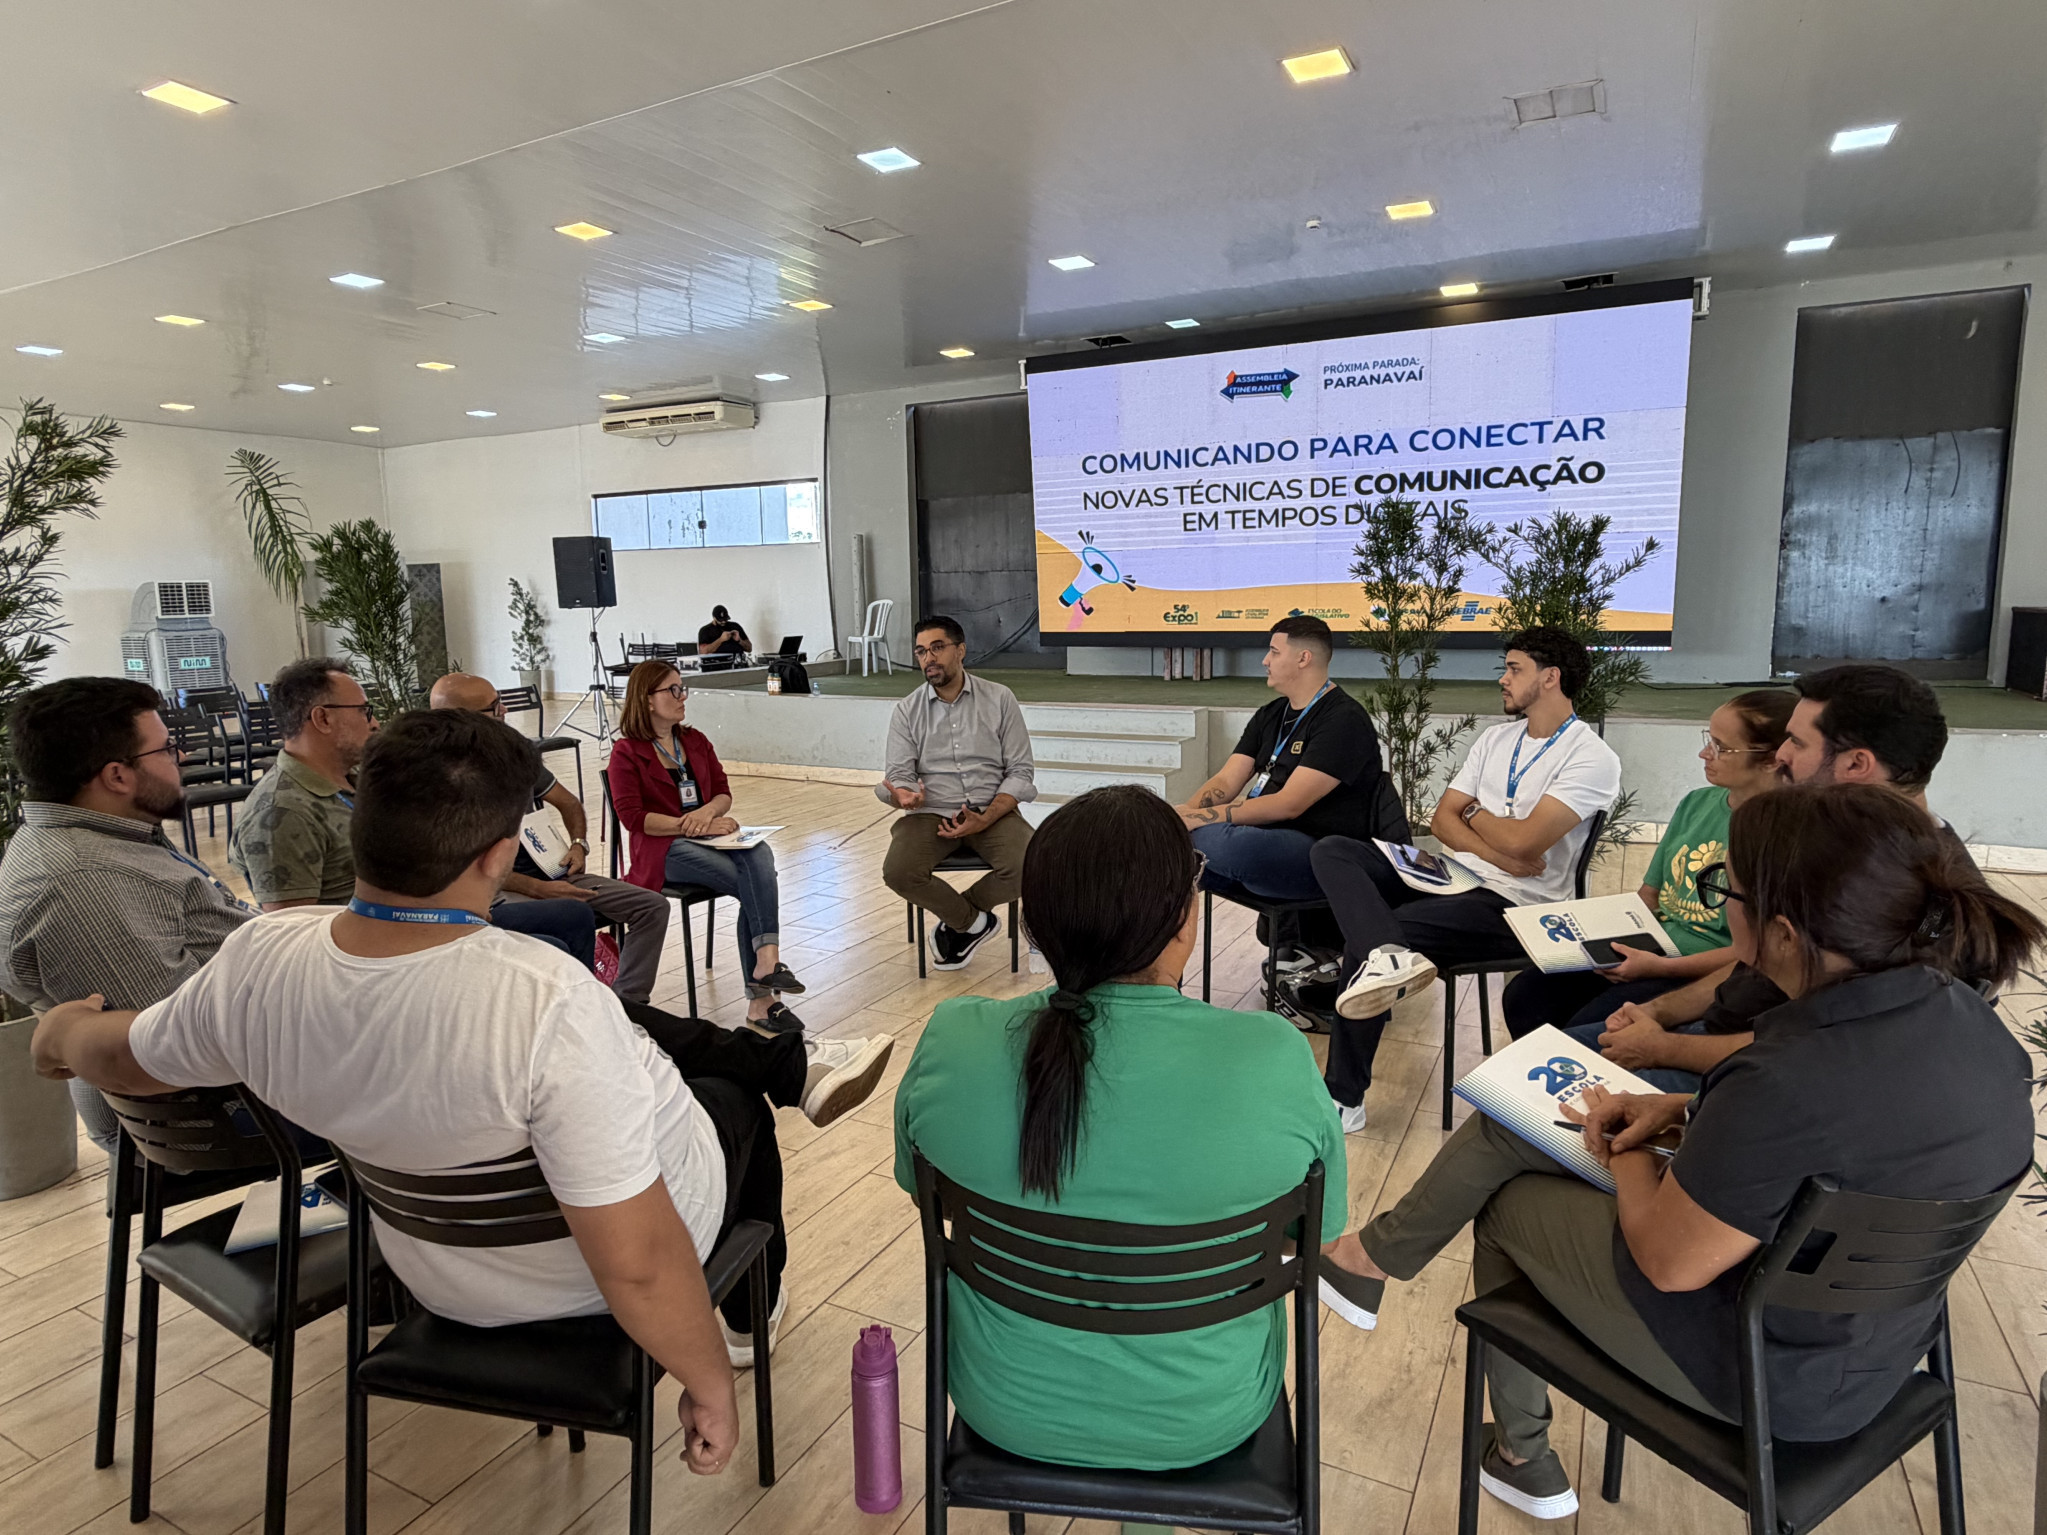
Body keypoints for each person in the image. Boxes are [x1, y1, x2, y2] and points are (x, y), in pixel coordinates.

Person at [29, 710, 825, 1414]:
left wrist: (62, 1034)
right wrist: (707, 1381)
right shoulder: (546, 996)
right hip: (587, 1281)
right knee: (734, 1100)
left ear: (360, 826)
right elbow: (641, 1266)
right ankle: (747, 1323)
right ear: (499, 853)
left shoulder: (260, 958)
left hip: (441, 1276)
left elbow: (132, 1058)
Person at [1312, 784, 2039, 1520]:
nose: (1724, 905)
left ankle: (1520, 1449)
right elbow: (1856, 1136)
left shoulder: (1784, 1076)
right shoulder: (1978, 1036)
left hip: (1767, 1376)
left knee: (1506, 1201)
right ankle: (1417, 1325)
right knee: (1521, 1140)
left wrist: (1621, 1137)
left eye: (1730, 889)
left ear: (1782, 933)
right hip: (1881, 1352)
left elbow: (1668, 1259)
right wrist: (1684, 1108)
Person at [893, 786, 1345, 1470]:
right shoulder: (1273, 1056)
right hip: (1206, 1414)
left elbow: (917, 1187)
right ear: (1183, 916)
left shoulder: (954, 1040)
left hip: (1004, 1401)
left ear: (1036, 920)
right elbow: (1317, 1234)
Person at [1586, 663, 1957, 1093]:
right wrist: (1660, 1012)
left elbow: (1826, 1052)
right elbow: (1749, 969)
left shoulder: (1912, 890)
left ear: (1857, 763)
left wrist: (1663, 1048)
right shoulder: (1841, 841)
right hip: (1714, 1034)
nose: (1780, 756)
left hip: (1754, 1077)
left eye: (1797, 742)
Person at [1309, 628, 1622, 1131]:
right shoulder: (1497, 738)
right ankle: (1387, 956)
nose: (1503, 678)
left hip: (1517, 903)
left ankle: (1343, 1099)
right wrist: (1492, 839)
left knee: (1371, 936)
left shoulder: (1591, 757)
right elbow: (1441, 821)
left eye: (1514, 668)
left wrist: (1476, 818)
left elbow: (1523, 844)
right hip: (1454, 873)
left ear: (1551, 678)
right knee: (1336, 851)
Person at [0, 677, 256, 1151]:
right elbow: (172, 1045)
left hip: (234, 1078)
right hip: (213, 1116)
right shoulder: (81, 879)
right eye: (167, 748)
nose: (180, 758)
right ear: (117, 776)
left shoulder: (110, 837)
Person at [234, 658, 599, 966]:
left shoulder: (363, 776)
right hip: (384, 947)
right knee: (553, 952)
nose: (375, 722)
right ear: (323, 719)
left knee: (572, 917)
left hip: (429, 913)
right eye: (364, 711)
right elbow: (295, 937)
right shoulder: (280, 813)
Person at [1501, 689, 1795, 1042]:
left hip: (1698, 970)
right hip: (1652, 946)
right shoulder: (1697, 803)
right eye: (1708, 740)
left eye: (1721, 747)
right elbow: (1648, 896)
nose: (1705, 753)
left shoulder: (1784, 835)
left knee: (1587, 1027)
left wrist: (1661, 967)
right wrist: (1588, 935)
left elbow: (1752, 954)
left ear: (1771, 759)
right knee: (1527, 993)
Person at [429, 672, 672, 1004]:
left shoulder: (516, 756)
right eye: (494, 706)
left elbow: (569, 803)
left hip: (554, 870)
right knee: (570, 917)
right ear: (462, 719)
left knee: (651, 906)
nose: (504, 710)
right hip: (497, 890)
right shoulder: (442, 780)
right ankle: (579, 1008)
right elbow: (464, 867)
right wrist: (539, 889)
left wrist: (578, 845)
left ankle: (627, 1005)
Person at [609, 660, 806, 1033]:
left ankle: (766, 966)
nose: (683, 697)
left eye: (683, 688)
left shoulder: (694, 741)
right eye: (673, 690)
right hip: (662, 848)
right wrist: (692, 825)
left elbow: (722, 791)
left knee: (760, 853)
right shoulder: (627, 752)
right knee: (753, 882)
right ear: (647, 700)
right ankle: (763, 996)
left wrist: (708, 814)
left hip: (708, 836)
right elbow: (633, 817)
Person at [1172, 615, 1386, 934]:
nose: (1264, 660)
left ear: (1303, 658)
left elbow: (1289, 805)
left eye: (1273, 652)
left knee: (1227, 844)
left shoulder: (1343, 720)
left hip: (1318, 853)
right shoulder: (1270, 714)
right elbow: (1227, 781)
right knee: (1159, 848)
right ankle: (1134, 963)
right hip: (1264, 839)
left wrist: (1200, 820)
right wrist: (1183, 818)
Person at [879, 615, 1037, 970]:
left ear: (960, 650)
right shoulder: (907, 710)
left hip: (991, 809)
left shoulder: (999, 698)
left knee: (1034, 865)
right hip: (930, 812)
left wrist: (988, 817)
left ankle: (960, 919)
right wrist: (903, 795)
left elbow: (1021, 771)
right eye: (921, 651)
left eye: (937, 648)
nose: (928, 658)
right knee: (899, 871)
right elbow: (899, 776)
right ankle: (974, 923)